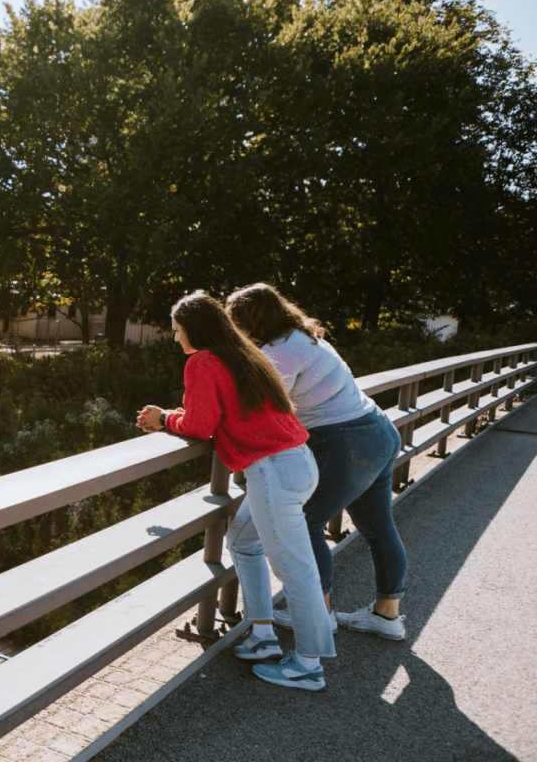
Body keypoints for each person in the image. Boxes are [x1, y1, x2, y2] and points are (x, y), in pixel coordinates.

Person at [138, 291, 330, 691]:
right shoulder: (245, 353)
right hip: (297, 463)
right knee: (243, 542)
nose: (175, 339)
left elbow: (200, 425)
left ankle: (308, 665)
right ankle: (262, 635)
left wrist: (164, 418)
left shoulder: (203, 361)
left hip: (272, 472)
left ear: (195, 329)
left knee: (295, 570)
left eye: (177, 331)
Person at [226, 283, 406, 642]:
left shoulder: (277, 354)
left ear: (247, 324)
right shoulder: (303, 337)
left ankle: (316, 614)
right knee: (379, 527)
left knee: (305, 521)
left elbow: (266, 412)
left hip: (344, 441)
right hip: (378, 430)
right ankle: (387, 616)